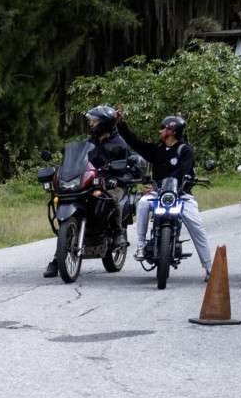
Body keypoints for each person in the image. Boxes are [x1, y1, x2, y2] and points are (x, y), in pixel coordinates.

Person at [43, 105, 150, 277]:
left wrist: (120, 175)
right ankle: (58, 259)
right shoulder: (89, 142)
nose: (91, 123)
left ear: (104, 123)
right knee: (64, 199)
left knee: (112, 199)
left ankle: (117, 234)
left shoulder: (120, 143)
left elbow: (130, 165)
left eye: (94, 120)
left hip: (114, 184)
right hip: (91, 182)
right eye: (91, 120)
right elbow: (77, 161)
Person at [130, 113, 214, 277]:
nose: (160, 130)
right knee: (143, 203)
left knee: (197, 226)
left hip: (181, 195)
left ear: (172, 131)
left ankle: (209, 267)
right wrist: (121, 125)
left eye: (163, 128)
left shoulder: (185, 151)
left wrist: (176, 184)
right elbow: (135, 143)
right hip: (158, 193)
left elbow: (183, 170)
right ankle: (140, 244)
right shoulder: (157, 149)